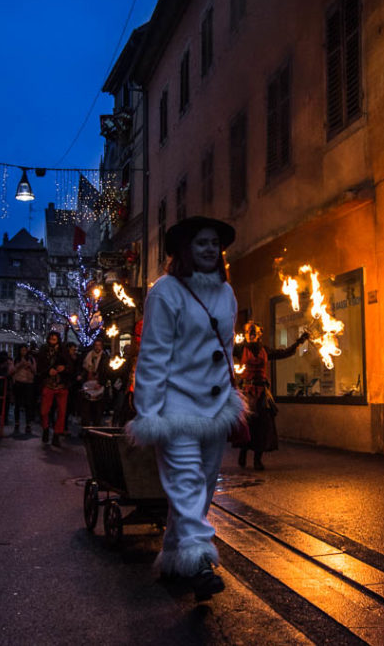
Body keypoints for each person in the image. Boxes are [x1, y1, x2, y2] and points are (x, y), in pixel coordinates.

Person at [128, 216, 243, 601]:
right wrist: (148, 411)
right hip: (175, 404)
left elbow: (226, 350)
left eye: (214, 243)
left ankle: (175, 557)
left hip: (214, 405)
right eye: (201, 243)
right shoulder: (166, 292)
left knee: (203, 487)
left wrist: (229, 392)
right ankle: (198, 565)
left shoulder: (227, 293)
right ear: (184, 251)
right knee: (187, 484)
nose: (210, 249)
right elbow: (154, 355)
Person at [233, 321, 309, 470]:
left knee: (263, 425)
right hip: (247, 392)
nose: (251, 334)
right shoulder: (240, 349)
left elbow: (284, 353)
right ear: (246, 334)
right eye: (249, 332)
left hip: (262, 393)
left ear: (259, 335)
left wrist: (300, 341)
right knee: (247, 425)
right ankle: (243, 451)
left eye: (254, 332)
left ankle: (257, 459)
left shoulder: (264, 350)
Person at [36, 331, 72, 446]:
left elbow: (71, 366)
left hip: (61, 385)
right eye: (51, 339)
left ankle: (56, 435)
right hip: (48, 384)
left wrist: (64, 368)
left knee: (61, 412)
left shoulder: (63, 351)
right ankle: (46, 429)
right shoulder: (43, 350)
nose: (52, 341)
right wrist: (47, 371)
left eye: (54, 339)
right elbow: (39, 366)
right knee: (44, 411)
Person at [9, 344, 37, 437]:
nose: (24, 352)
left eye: (25, 350)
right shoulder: (16, 360)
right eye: (22, 350)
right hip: (18, 383)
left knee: (28, 404)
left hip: (29, 383)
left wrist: (29, 366)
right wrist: (19, 365)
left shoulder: (31, 359)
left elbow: (35, 371)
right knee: (17, 404)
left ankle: (28, 423)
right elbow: (11, 371)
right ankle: (17, 422)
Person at [81, 338, 109, 428]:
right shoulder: (88, 356)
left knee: (97, 409)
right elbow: (83, 368)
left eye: (99, 345)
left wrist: (101, 382)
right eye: (96, 345)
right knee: (86, 409)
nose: (97, 347)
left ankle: (96, 427)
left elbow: (107, 372)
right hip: (88, 384)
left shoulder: (105, 358)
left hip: (98, 385)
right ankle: (86, 427)